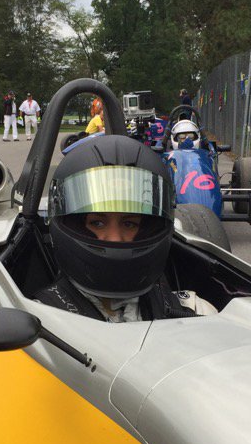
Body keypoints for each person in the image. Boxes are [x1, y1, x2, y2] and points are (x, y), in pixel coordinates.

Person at [35, 134, 216, 322]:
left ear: (150, 228)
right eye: (97, 223)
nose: (114, 238)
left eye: (129, 224)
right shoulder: (39, 320)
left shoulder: (195, 310)